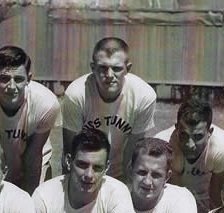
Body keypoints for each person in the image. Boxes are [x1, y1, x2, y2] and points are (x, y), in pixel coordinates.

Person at [0, 46, 61, 194]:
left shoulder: (46, 102)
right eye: (4, 79)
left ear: (29, 79)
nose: (12, 86)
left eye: (19, 79)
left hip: (34, 163)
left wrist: (28, 200)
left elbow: (33, 156)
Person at [61, 37, 156, 181]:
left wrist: (125, 189)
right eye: (103, 68)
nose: (109, 75)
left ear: (127, 69)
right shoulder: (76, 94)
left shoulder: (144, 96)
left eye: (117, 68)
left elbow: (132, 155)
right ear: (93, 68)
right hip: (86, 172)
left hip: (120, 172)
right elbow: (71, 151)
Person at [154, 96, 224, 213]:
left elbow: (217, 196)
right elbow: (166, 192)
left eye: (198, 137)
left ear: (209, 132)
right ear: (176, 128)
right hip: (175, 196)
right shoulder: (163, 144)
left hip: (207, 195)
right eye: (184, 135)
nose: (189, 144)